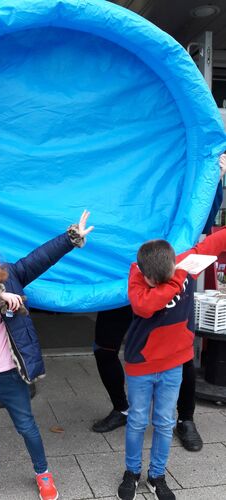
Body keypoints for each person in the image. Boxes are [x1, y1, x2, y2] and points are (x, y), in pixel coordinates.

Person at [0, 211, 94, 500]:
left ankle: (43, 473)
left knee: (27, 427)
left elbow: (41, 257)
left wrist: (71, 237)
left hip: (13, 375)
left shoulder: (11, 274)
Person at [93, 153, 226, 452]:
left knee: (180, 355)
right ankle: (122, 408)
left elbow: (201, 214)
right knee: (104, 349)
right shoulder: (113, 191)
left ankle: (186, 419)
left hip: (167, 271)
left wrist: (216, 180)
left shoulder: (162, 182)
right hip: (121, 280)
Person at [117, 228, 226, 500]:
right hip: (141, 364)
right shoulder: (137, 273)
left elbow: (215, 241)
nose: (153, 283)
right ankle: (131, 472)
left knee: (165, 422)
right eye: (151, 279)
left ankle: (157, 475)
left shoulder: (186, 263)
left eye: (159, 279)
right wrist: (176, 280)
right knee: (138, 421)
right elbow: (144, 305)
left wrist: (176, 274)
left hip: (174, 364)